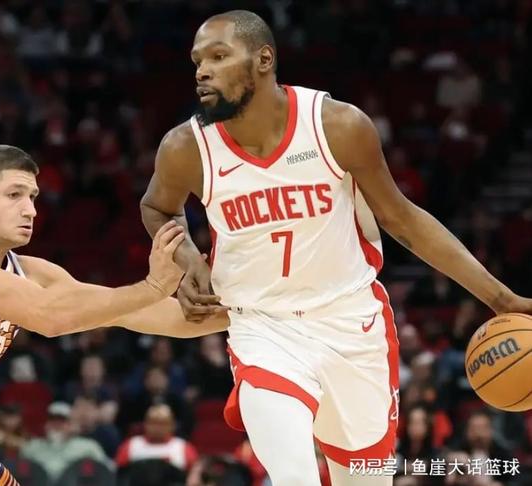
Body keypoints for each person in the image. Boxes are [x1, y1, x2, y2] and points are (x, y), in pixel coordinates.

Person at [139, 10, 532, 486]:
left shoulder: (336, 126)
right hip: (263, 328)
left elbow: (403, 219)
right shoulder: (186, 146)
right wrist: (185, 259)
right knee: (294, 476)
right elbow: (157, 208)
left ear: (264, 59)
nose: (203, 70)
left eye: (219, 56)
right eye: (198, 60)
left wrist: (500, 298)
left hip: (352, 325)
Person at [0, 144, 228, 485]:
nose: (30, 210)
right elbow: (48, 318)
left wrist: (247, 311)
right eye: (14, 195)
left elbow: (146, 314)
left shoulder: (32, 273)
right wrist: (152, 286)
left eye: (33, 197)